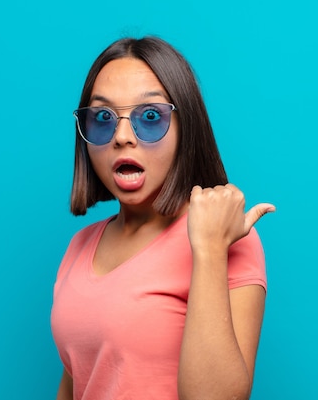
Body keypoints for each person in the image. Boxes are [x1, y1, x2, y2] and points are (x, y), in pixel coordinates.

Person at [50, 36, 275, 400]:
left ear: (187, 129)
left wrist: (210, 249)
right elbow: (79, 383)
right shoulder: (80, 246)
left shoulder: (227, 239)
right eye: (103, 118)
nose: (122, 137)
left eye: (150, 116)